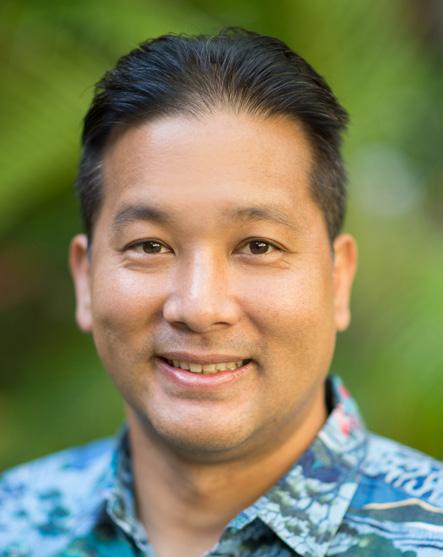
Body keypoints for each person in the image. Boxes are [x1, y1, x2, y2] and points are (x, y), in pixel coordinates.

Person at [0, 27, 442, 557]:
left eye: (258, 246)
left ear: (338, 279)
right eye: (149, 245)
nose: (199, 307)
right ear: (85, 279)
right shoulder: (14, 525)